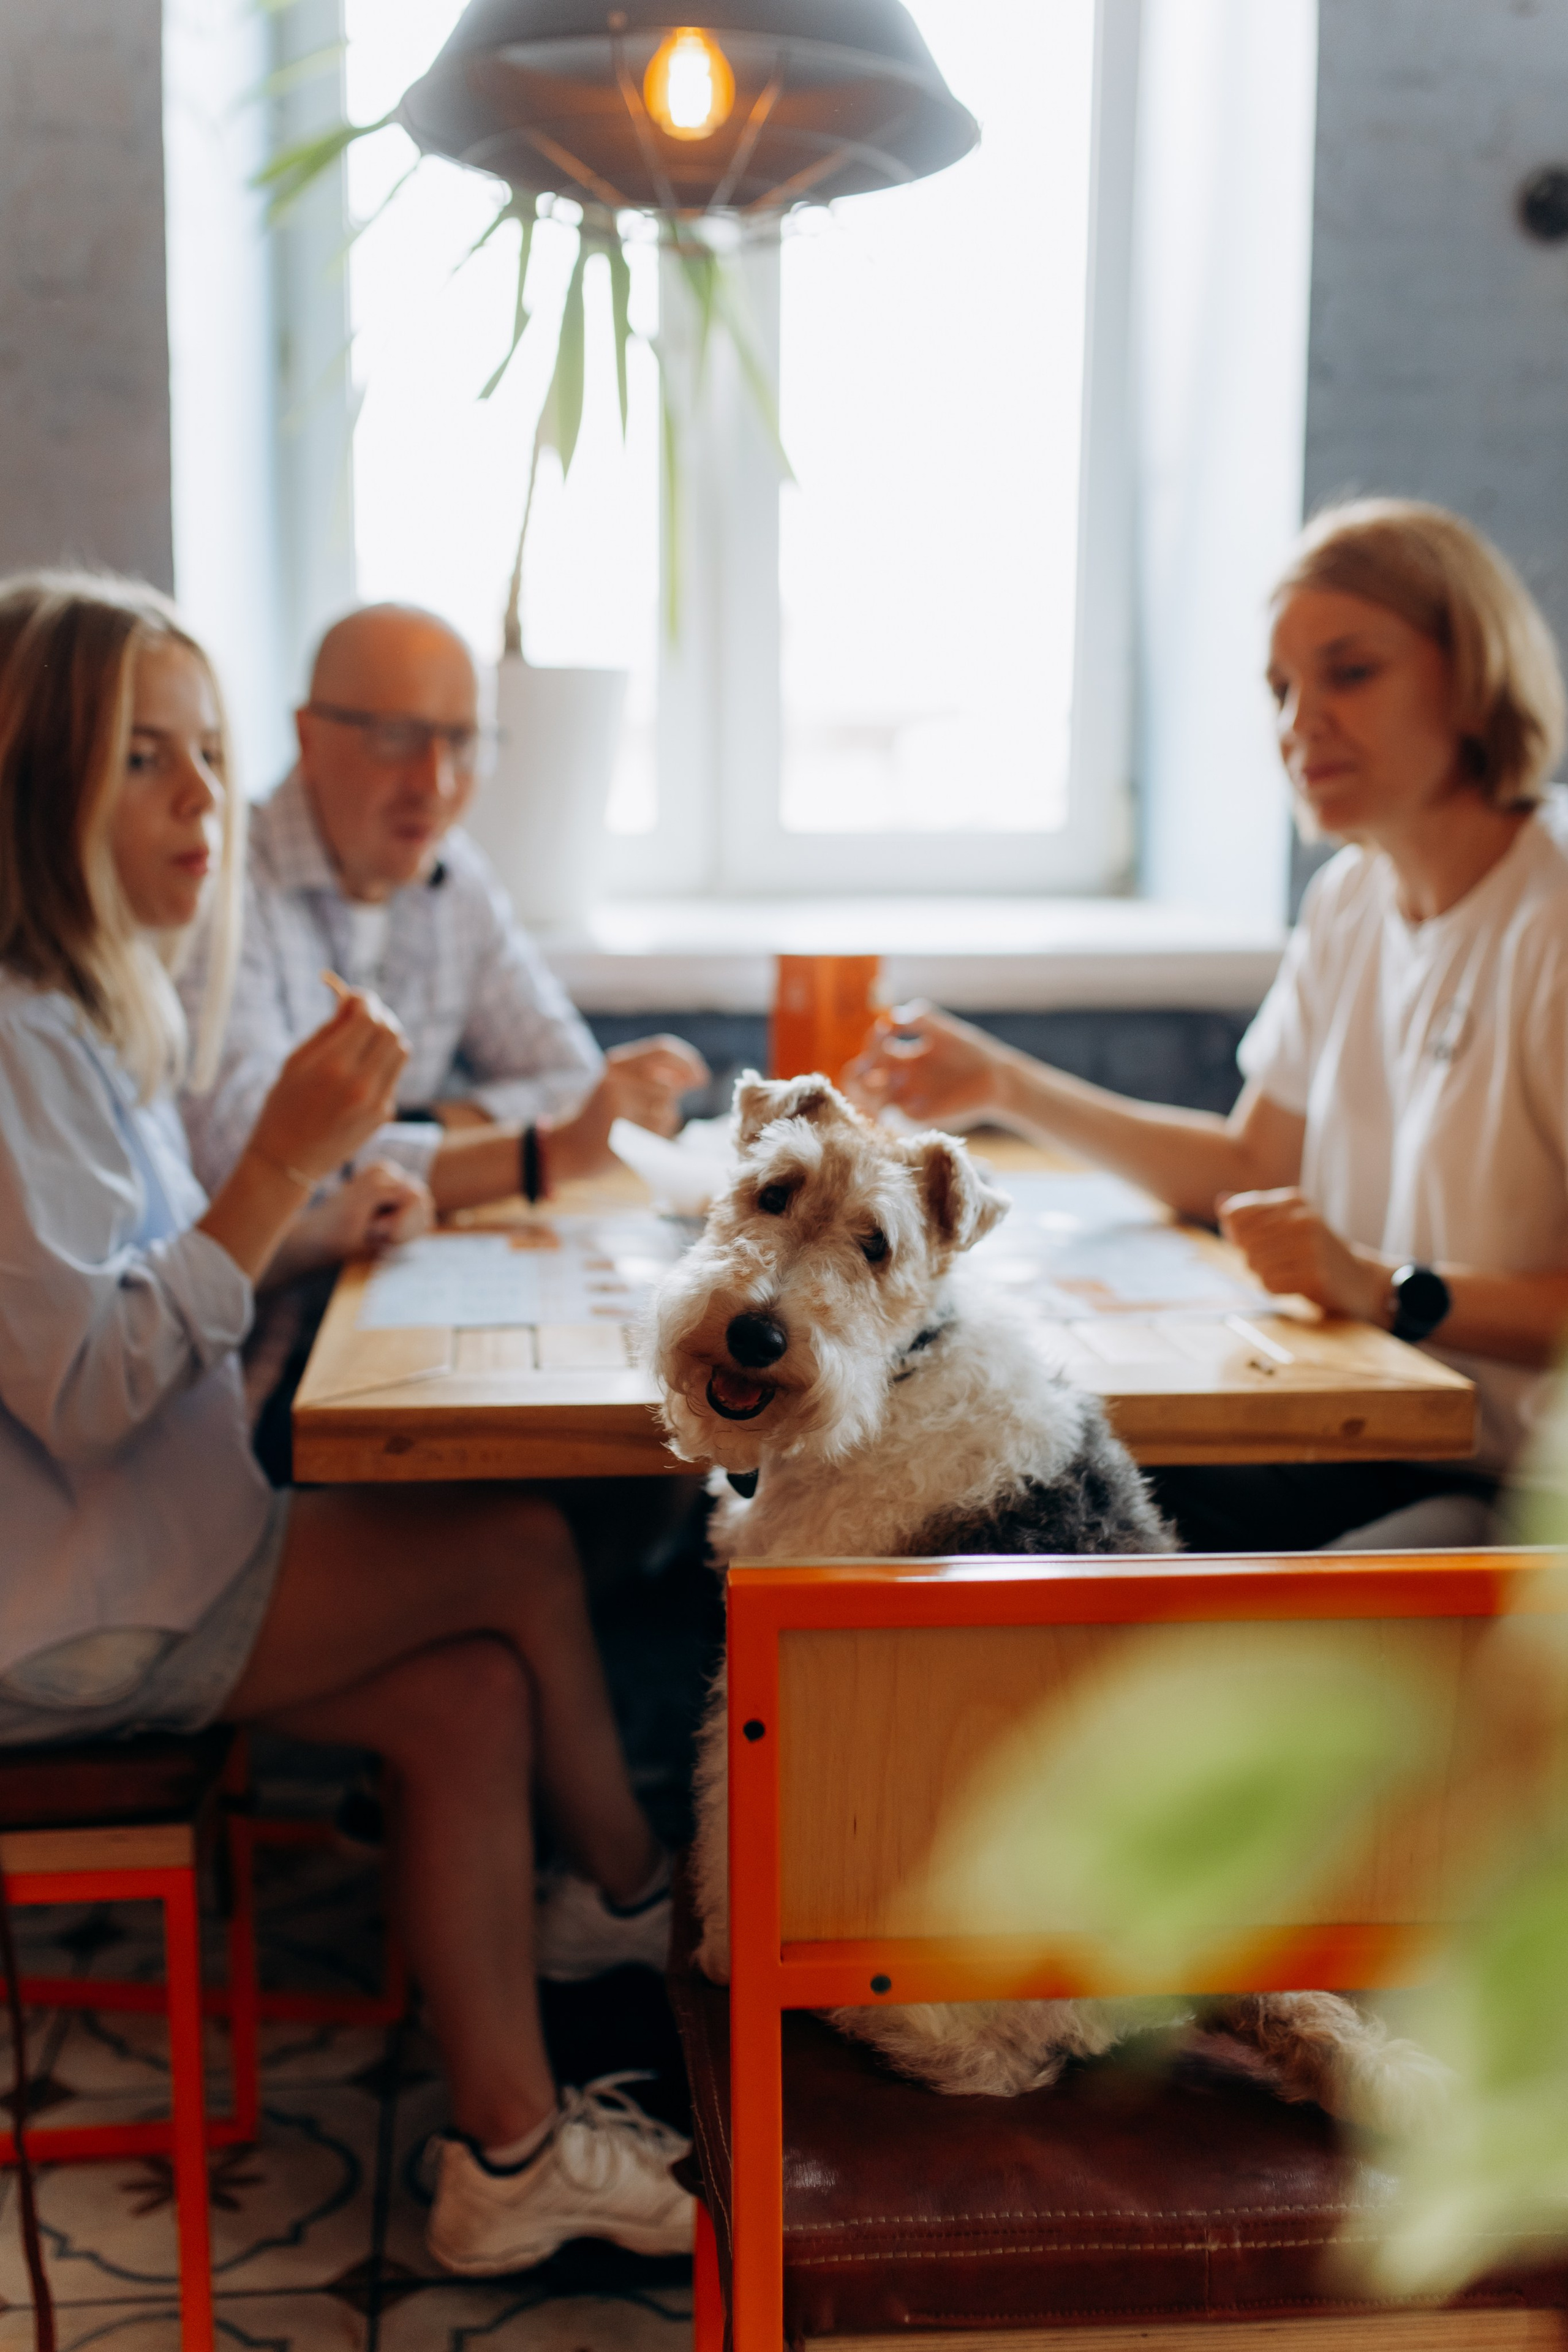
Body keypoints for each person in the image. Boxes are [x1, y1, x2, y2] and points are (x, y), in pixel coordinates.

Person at [0, 573, 693, 2274]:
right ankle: (638, 1902)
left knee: (468, 1698)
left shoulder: (79, 1014)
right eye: (143, 757)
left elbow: (150, 1274)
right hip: (80, 1608)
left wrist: (305, 1210)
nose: (199, 800)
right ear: (30, 780)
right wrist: (279, 1169)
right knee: (516, 1546)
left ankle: (508, 2157)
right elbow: (88, 1392)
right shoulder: (17, 1045)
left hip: (142, 1558)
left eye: (204, 750)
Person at [847, 500, 1568, 1551]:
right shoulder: (1350, 901)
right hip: (1364, 1432)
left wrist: (1387, 1290)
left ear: (1473, 675)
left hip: (1519, 1483)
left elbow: (1357, 1268)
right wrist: (1007, 1087)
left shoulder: (1554, 909)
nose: (1300, 722)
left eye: (1350, 672)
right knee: (1009, 1479)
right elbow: (1247, 1167)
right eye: (1282, 689)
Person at [177, 602, 706, 1474]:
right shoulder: (221, 884)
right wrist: (531, 1153)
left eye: (462, 741)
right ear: (307, 735)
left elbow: (570, 1078)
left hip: (393, 1298)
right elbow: (259, 1165)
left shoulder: (451, 875)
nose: (436, 780)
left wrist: (416, 1125)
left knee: (658, 1449)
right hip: (257, 1371)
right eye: (396, 737)